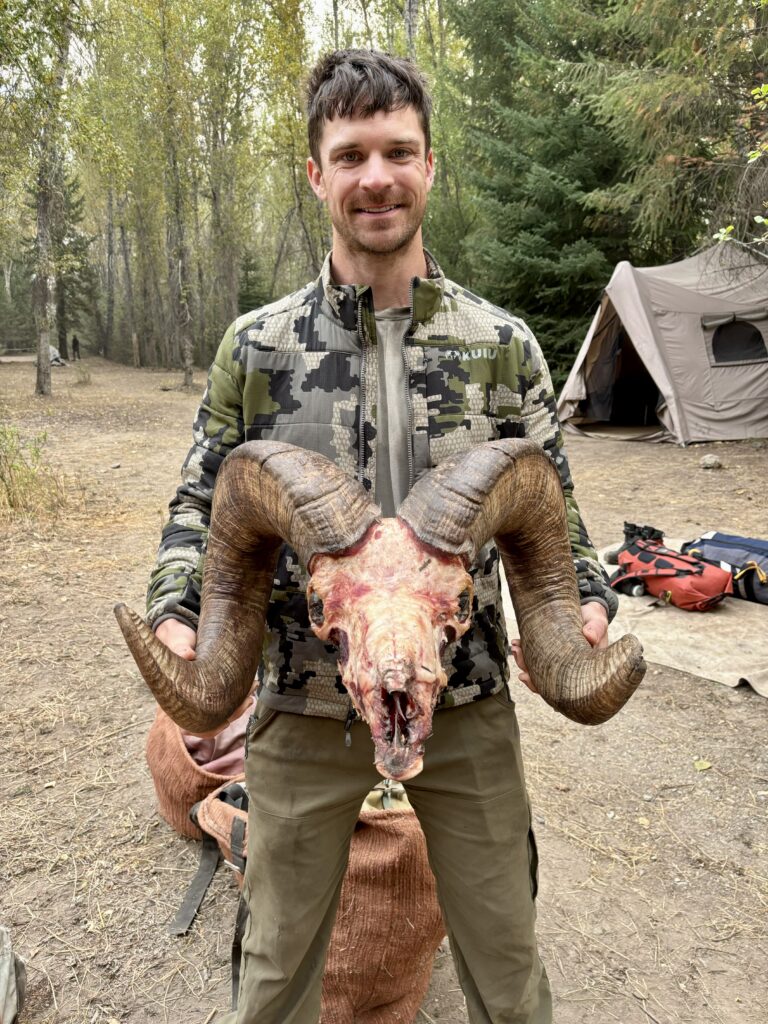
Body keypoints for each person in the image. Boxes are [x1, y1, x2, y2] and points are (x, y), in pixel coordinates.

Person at [146, 49, 619, 1024]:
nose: (377, 177)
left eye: (398, 151)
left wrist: (589, 612)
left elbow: (556, 523)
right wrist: (179, 608)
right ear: (315, 172)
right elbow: (203, 504)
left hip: (467, 705)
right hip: (309, 708)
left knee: (508, 972)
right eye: (351, 153)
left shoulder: (501, 347)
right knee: (275, 974)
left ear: (430, 165)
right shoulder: (259, 348)